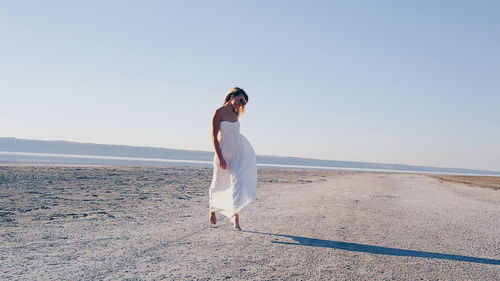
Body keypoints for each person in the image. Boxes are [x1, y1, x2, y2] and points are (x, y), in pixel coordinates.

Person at [208, 87, 257, 231]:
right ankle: (213, 209)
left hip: (238, 152)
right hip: (223, 152)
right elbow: (214, 137)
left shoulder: (235, 114)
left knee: (238, 181)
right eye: (240, 100)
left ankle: (235, 216)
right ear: (232, 96)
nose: (240, 104)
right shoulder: (219, 112)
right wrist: (220, 157)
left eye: (243, 102)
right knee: (219, 182)